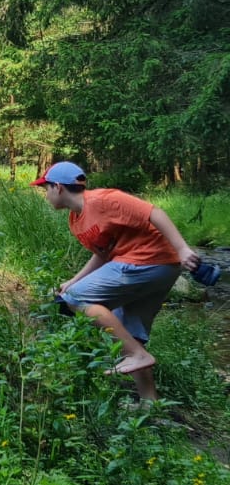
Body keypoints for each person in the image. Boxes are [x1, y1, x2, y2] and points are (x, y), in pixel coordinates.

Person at [36, 161, 201, 401]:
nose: (45, 194)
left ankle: (137, 355)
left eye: (46, 188)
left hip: (150, 260)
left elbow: (154, 213)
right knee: (129, 333)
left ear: (58, 188)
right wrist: (73, 280)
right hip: (155, 266)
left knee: (74, 299)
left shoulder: (103, 200)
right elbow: (104, 254)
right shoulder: (76, 219)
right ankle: (149, 403)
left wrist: (183, 249)